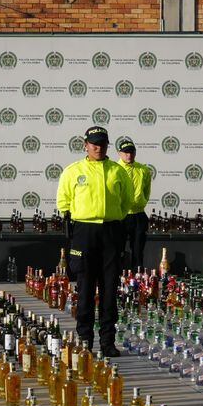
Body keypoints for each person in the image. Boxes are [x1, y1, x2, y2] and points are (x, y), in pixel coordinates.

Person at [55, 125, 133, 357]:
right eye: (94, 144)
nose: (98, 148)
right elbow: (64, 202)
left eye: (102, 144)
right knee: (86, 287)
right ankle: (85, 339)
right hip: (84, 232)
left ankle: (108, 341)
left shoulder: (117, 171)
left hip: (111, 232)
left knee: (110, 289)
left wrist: (113, 219)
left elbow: (126, 201)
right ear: (85, 145)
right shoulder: (73, 171)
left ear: (108, 145)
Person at [113, 138, 154, 269]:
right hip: (119, 216)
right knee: (117, 249)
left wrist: (141, 202)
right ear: (119, 153)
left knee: (138, 250)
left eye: (131, 152)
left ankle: (138, 280)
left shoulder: (143, 170)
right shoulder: (113, 169)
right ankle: (117, 278)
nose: (129, 155)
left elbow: (147, 191)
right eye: (125, 152)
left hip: (138, 215)